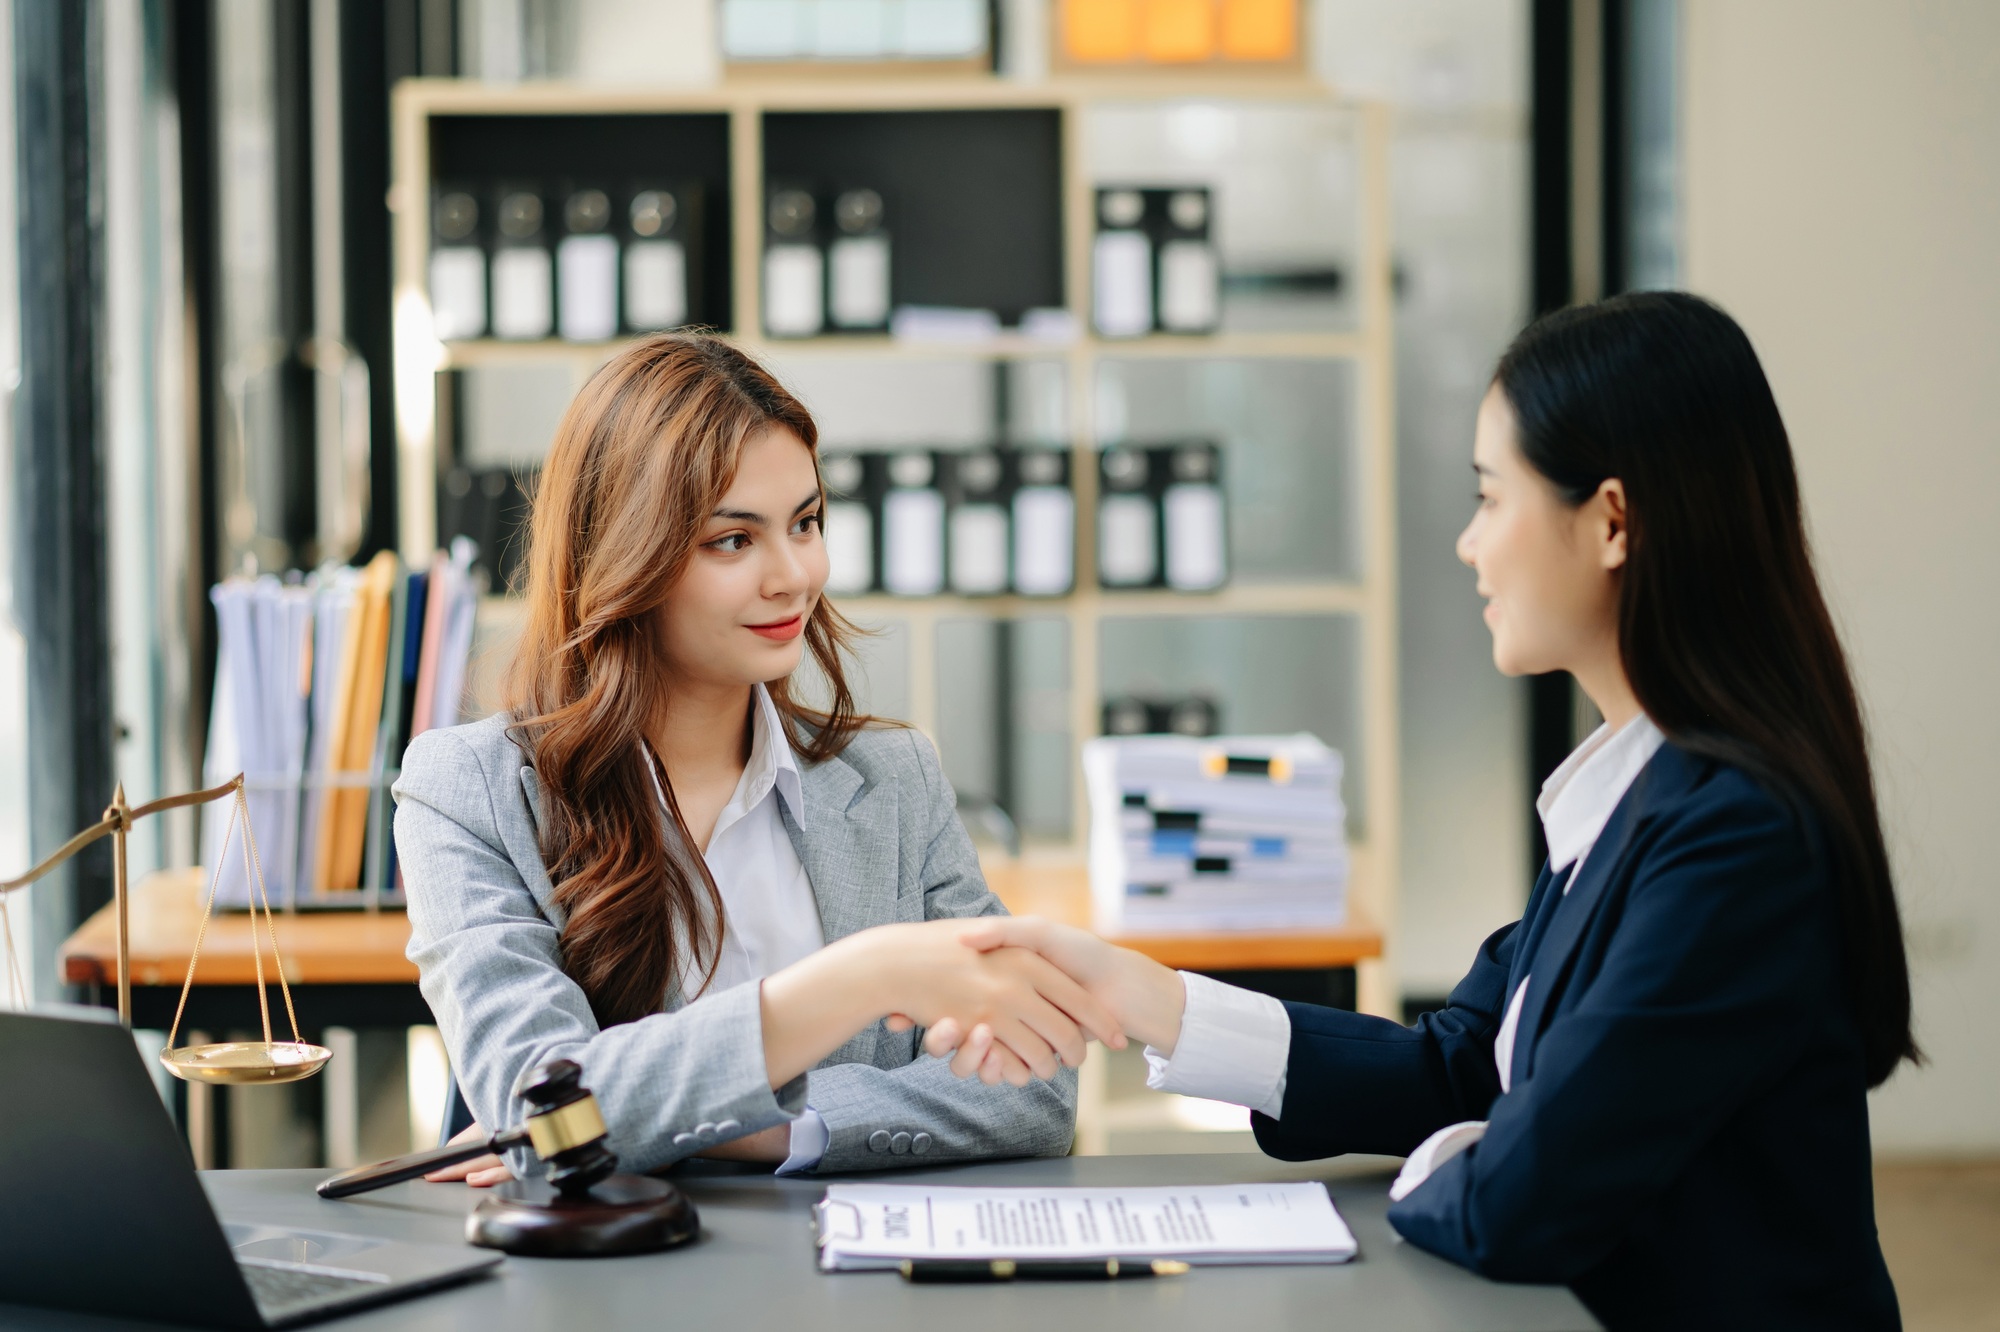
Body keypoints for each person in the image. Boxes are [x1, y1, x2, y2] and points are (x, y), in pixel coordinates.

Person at [953, 293, 1915, 1329]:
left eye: (1489, 499)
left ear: (1611, 522)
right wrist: (1154, 1002)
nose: (1467, 545)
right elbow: (1464, 1063)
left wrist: (1472, 1155)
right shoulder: (1633, 795)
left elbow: (1524, 1195)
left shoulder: (1735, 835)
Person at [393, 333, 1121, 1186]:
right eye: (733, 540)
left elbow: (1035, 1088)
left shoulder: (893, 779)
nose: (793, 576)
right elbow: (538, 1108)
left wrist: (748, 1128)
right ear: (624, 555)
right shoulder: (468, 790)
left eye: (806, 523)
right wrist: (864, 979)